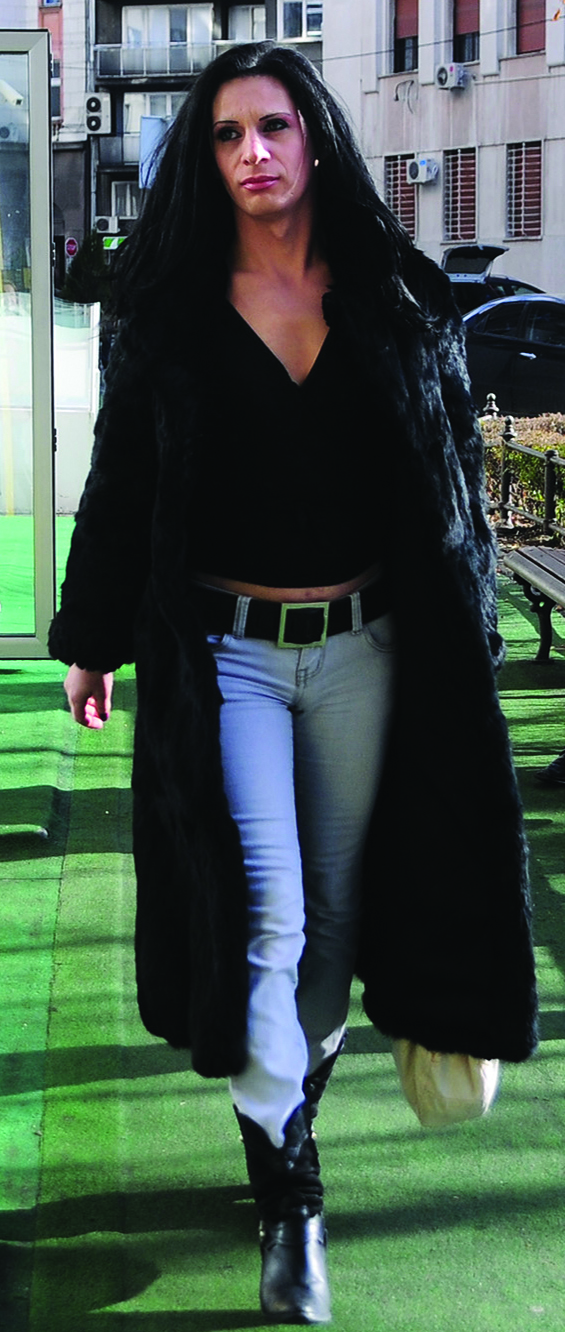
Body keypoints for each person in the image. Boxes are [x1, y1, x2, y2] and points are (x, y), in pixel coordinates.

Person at [49, 42, 538, 1326]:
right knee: (264, 909)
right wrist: (91, 636)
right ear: (205, 160)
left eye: (270, 127)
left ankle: (283, 1125)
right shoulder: (170, 313)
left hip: (369, 651)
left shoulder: (396, 295)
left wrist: (467, 639)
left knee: (331, 911)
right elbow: (123, 486)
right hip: (228, 662)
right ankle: (288, 1187)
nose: (251, 153)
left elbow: (450, 486)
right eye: (225, 135)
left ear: (314, 136)